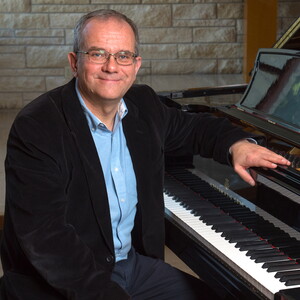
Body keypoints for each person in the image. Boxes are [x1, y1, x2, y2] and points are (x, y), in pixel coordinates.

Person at [0, 9, 291, 300]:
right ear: (75, 62)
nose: (112, 67)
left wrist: (236, 145)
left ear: (136, 65)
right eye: (98, 54)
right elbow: (47, 239)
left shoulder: (143, 106)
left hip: (130, 267)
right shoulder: (38, 126)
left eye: (123, 55)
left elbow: (194, 129)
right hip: (62, 280)